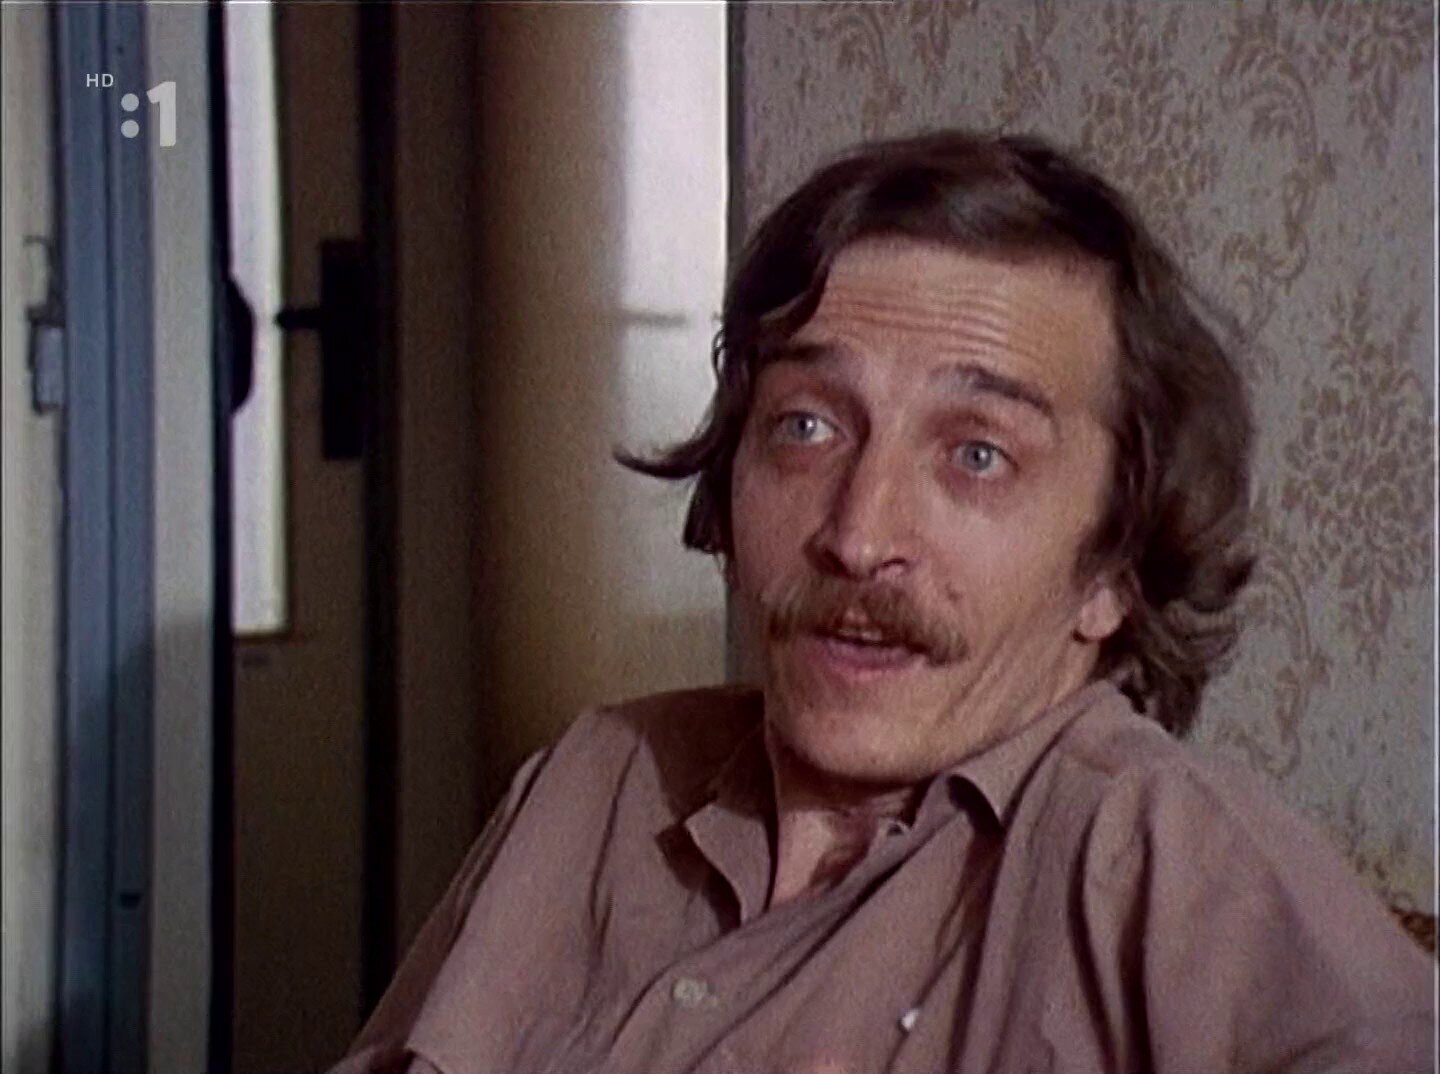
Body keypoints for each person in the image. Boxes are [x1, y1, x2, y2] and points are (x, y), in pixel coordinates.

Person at [331, 130, 1434, 1073]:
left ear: (1114, 571)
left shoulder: (1162, 858)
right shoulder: (599, 779)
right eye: (806, 426)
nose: (858, 537)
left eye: (977, 454)